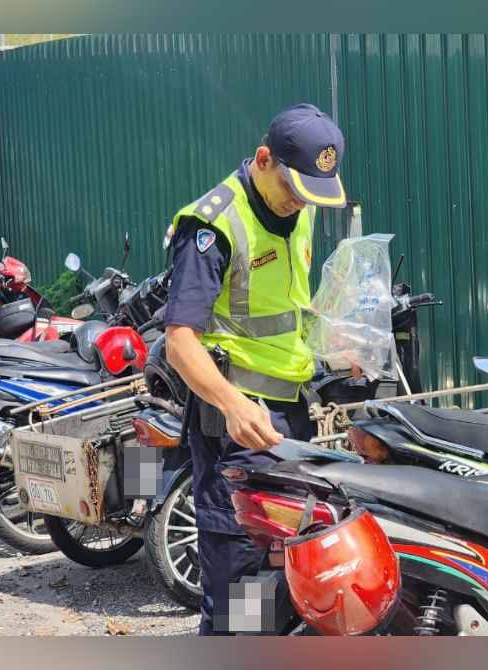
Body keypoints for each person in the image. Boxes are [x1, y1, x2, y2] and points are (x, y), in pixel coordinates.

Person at [163, 103, 348, 635]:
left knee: (293, 572)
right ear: (263, 159)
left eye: (309, 194)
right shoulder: (213, 224)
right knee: (241, 588)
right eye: (292, 189)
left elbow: (289, 309)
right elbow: (180, 341)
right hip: (235, 428)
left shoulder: (300, 205)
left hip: (291, 419)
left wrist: (336, 345)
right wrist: (231, 403)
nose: (299, 204)